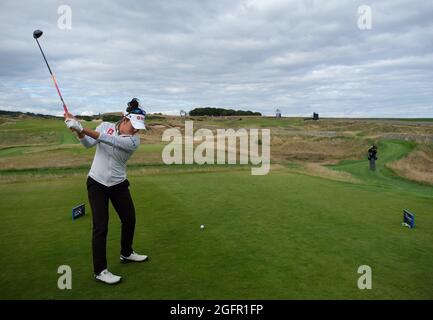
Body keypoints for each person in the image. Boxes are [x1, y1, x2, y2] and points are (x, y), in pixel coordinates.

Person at [64, 98, 148, 285]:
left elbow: (108, 140)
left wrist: (80, 127)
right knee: (101, 226)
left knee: (129, 219)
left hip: (118, 184)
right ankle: (100, 271)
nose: (135, 130)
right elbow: (88, 144)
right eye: (133, 125)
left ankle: (126, 253)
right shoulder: (105, 126)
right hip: (97, 183)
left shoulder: (133, 142)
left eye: (138, 127)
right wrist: (76, 130)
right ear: (125, 120)